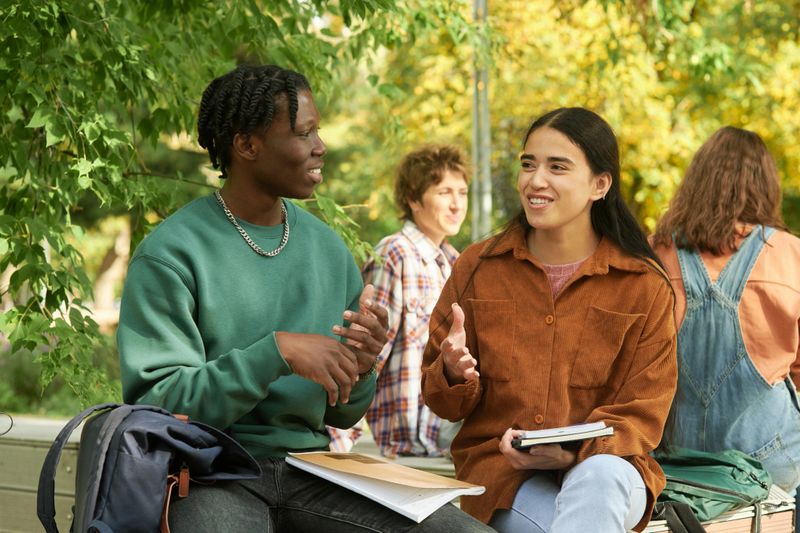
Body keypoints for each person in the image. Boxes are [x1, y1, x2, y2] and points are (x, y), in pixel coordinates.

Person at [117, 64, 492, 532]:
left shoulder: (327, 249)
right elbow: (158, 405)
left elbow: (342, 411)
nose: (321, 146)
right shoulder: (171, 253)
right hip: (209, 470)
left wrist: (360, 363)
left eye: (318, 130)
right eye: (304, 133)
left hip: (313, 468)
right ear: (247, 145)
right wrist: (276, 353)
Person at [421, 107, 678, 532]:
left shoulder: (645, 285)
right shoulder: (477, 268)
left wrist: (573, 452)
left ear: (600, 184)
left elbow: (643, 414)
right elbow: (442, 403)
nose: (535, 181)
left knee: (599, 478)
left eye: (557, 167)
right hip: (503, 476)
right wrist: (451, 371)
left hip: (609, 469)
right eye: (528, 164)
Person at [651, 126, 800, 496]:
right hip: (772, 466)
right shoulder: (790, 255)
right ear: (766, 185)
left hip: (676, 467)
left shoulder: (654, 254)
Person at [329, 145, 470, 457]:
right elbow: (365, 353)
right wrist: (333, 447)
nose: (457, 204)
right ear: (413, 199)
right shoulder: (396, 254)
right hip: (409, 447)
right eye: (445, 192)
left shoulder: (456, 264)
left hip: (444, 441)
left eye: (462, 192)